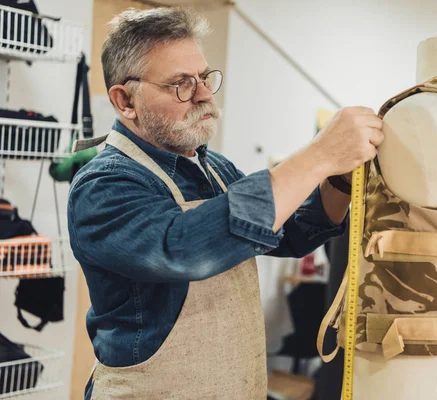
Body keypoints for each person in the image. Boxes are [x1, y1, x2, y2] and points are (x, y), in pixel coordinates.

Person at [67, 7, 384, 399]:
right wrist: (317, 155)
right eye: (181, 84)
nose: (203, 95)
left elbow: (289, 233)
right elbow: (183, 247)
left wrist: (337, 176)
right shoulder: (103, 185)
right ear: (125, 100)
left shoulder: (213, 166)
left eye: (203, 77)